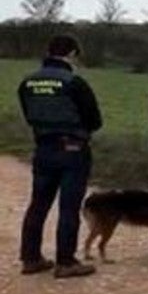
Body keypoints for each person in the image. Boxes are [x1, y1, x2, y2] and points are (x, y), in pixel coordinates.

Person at [17, 35, 103, 278]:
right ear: (73, 54)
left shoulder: (27, 82)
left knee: (38, 204)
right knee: (69, 207)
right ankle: (65, 262)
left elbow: (28, 114)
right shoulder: (74, 82)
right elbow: (94, 120)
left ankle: (30, 258)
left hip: (43, 148)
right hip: (73, 150)